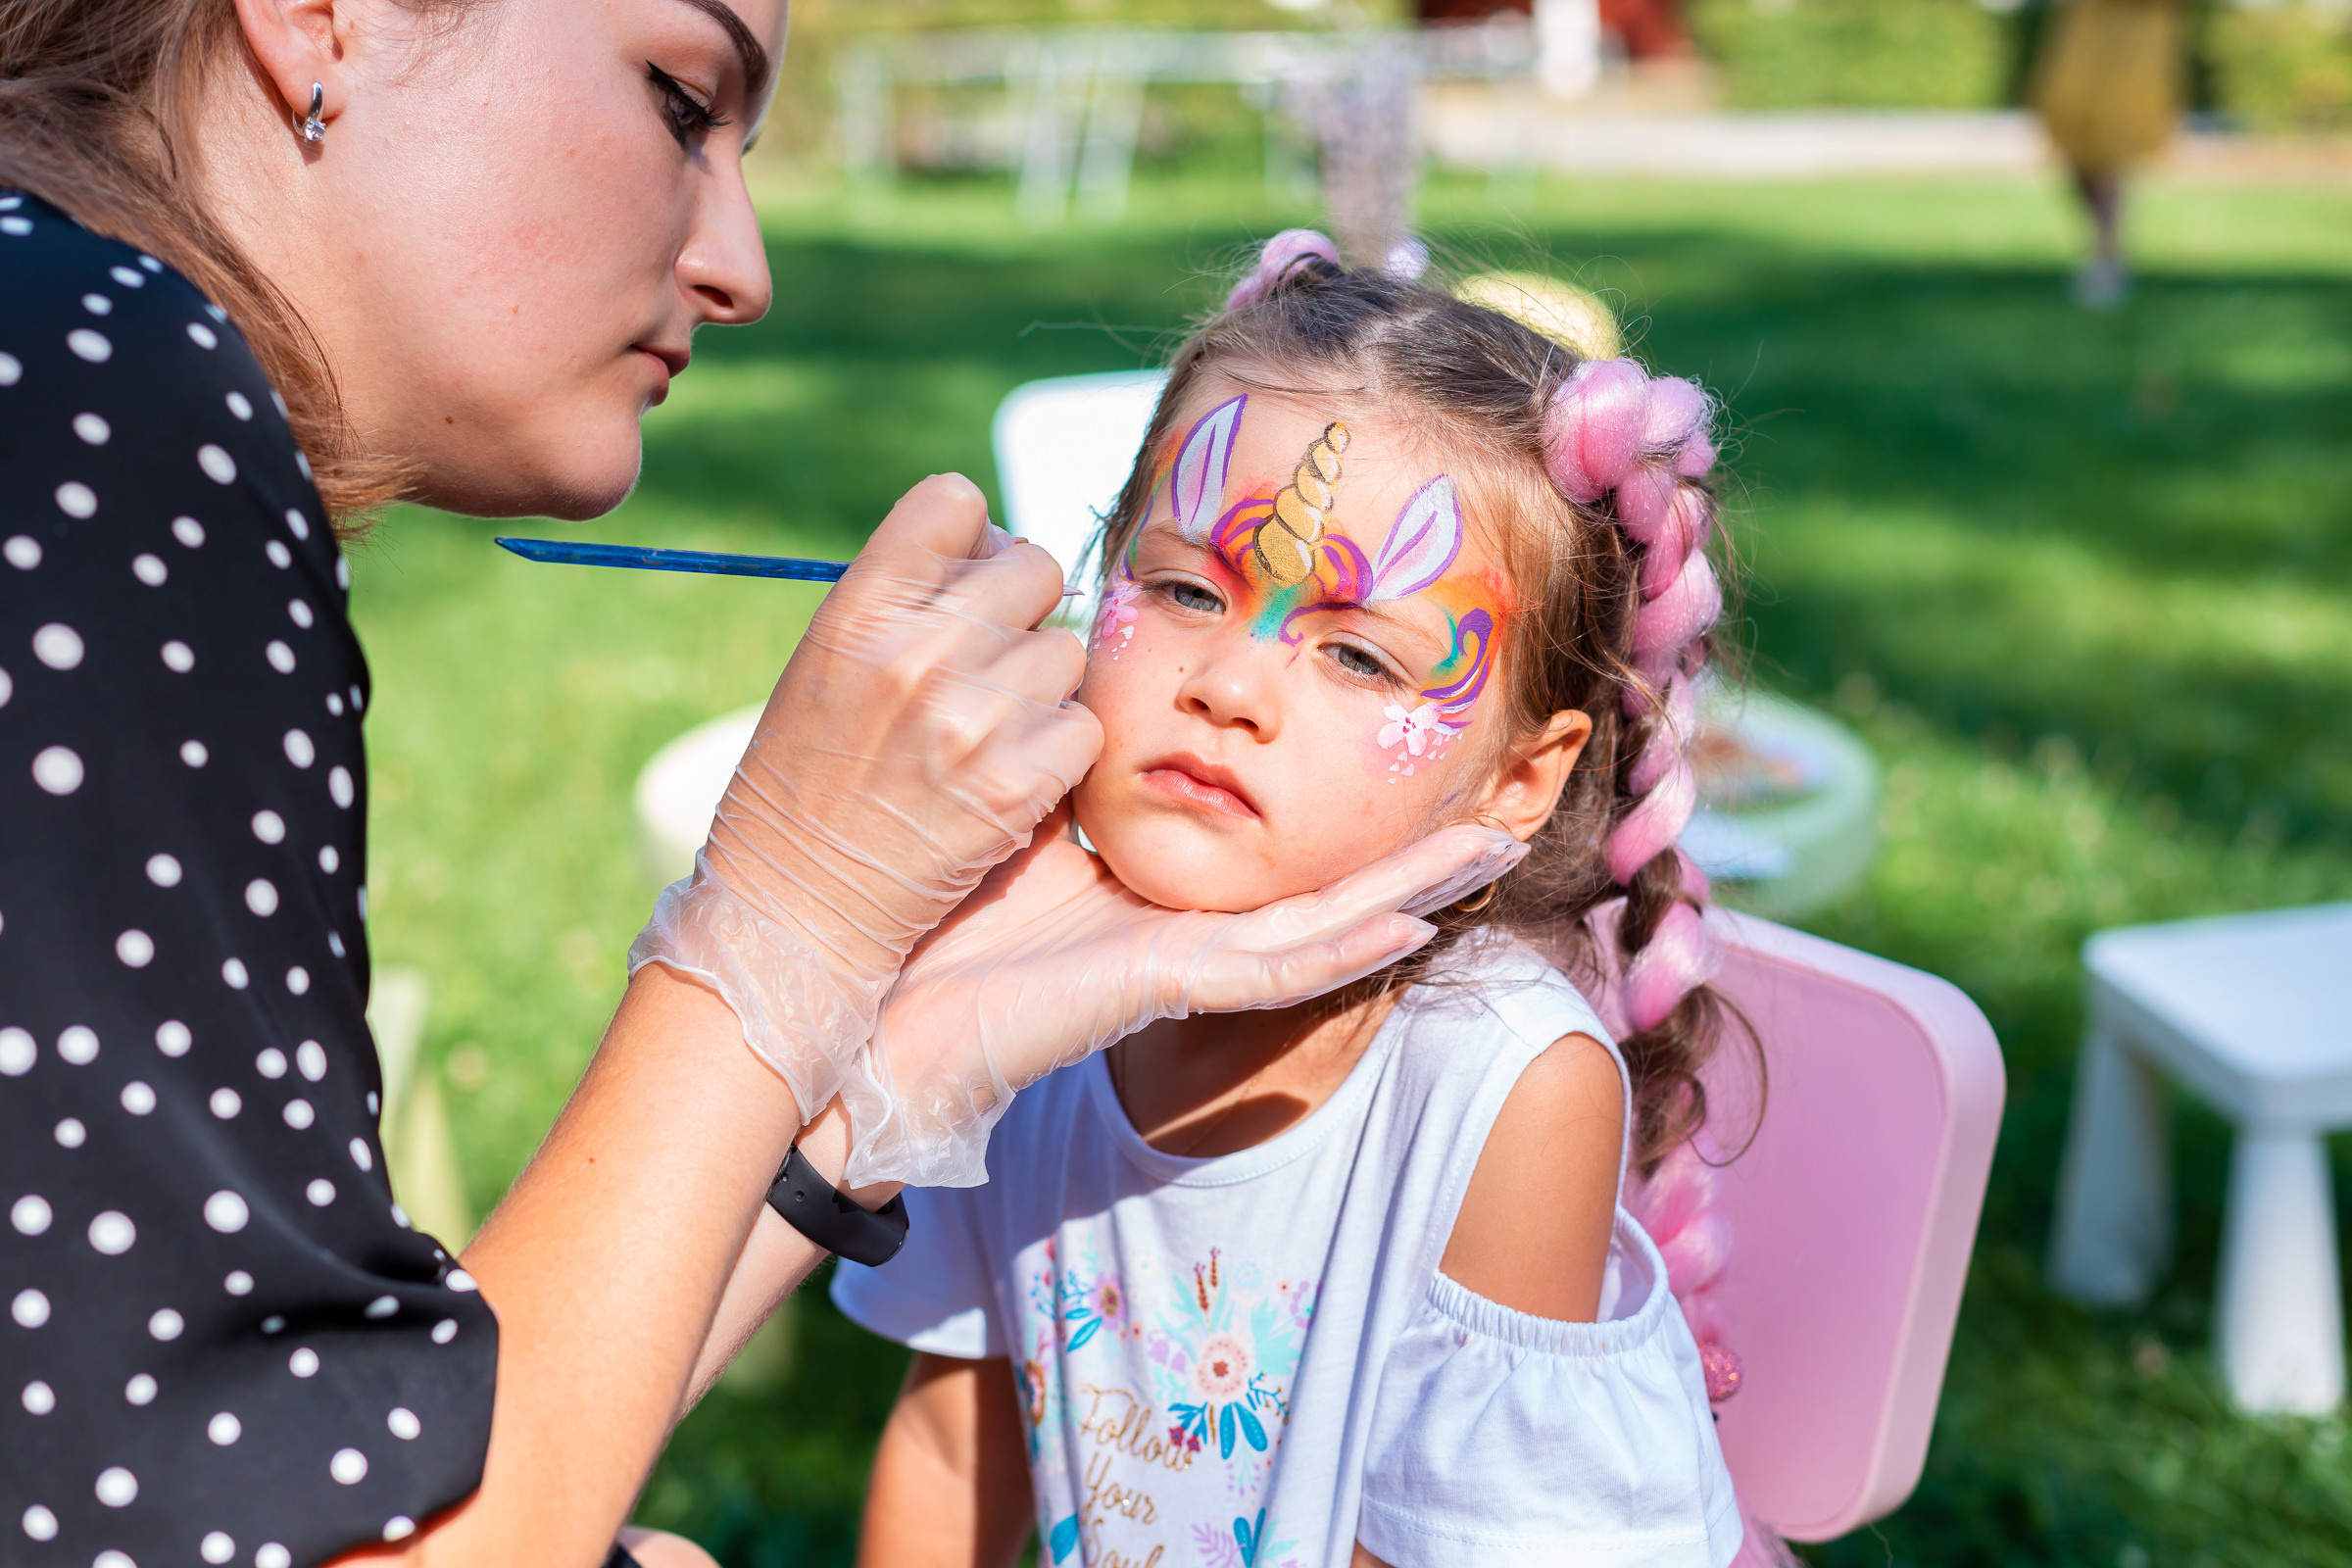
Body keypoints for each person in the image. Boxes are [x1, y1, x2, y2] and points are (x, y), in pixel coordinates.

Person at [0, 6, 1509, 1564]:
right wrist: (781, 915)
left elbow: (283, 1457)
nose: (742, 263)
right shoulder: (93, 422)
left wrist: (881, 1081)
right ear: (326, 17)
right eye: (679, 100)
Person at [827, 232, 1768, 1568]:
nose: (1231, 682)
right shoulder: (1013, 996)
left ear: (1521, 777)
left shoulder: (1506, 1089)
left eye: (1358, 655)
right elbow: (949, 1441)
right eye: (1185, 587)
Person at [2030, 0, 2187, 308]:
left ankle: (2106, 256)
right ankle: (2103, 241)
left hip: (2136, 27)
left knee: (2113, 139)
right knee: (2071, 134)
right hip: (2084, 24)